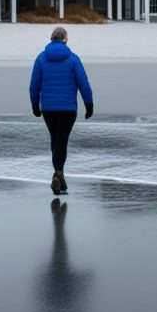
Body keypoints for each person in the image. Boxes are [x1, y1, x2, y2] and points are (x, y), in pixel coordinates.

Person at [30, 26, 94, 195]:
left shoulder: (41, 58)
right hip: (68, 109)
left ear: (51, 39)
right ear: (65, 40)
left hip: (49, 109)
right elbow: (83, 83)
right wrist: (89, 104)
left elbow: (34, 84)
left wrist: (35, 105)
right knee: (61, 141)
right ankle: (58, 175)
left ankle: (60, 177)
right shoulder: (73, 59)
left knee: (55, 140)